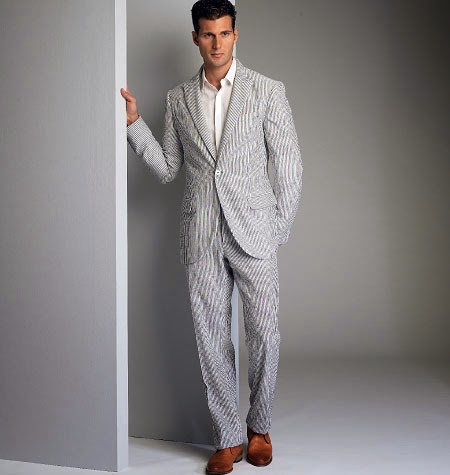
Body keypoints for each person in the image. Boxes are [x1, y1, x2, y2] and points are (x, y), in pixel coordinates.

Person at [121, 0, 302, 473]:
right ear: (195, 38)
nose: (216, 43)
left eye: (224, 33)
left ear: (235, 34)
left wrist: (277, 229)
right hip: (201, 233)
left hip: (255, 231)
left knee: (264, 333)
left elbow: (289, 165)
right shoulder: (178, 98)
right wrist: (134, 124)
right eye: (207, 34)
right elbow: (168, 169)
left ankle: (259, 428)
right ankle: (227, 437)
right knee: (211, 338)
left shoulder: (267, 91)